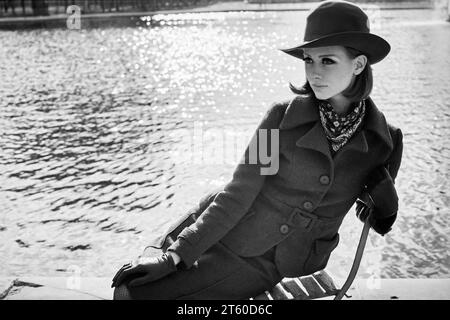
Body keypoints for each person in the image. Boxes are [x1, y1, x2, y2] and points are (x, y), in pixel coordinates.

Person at [111, 0, 403, 300]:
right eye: (308, 60)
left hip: (269, 260)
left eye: (327, 61)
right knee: (127, 288)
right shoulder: (279, 117)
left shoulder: (386, 141)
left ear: (358, 64)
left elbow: (378, 223)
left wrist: (388, 204)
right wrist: (174, 257)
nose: (314, 72)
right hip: (220, 223)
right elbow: (239, 191)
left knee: (135, 296)